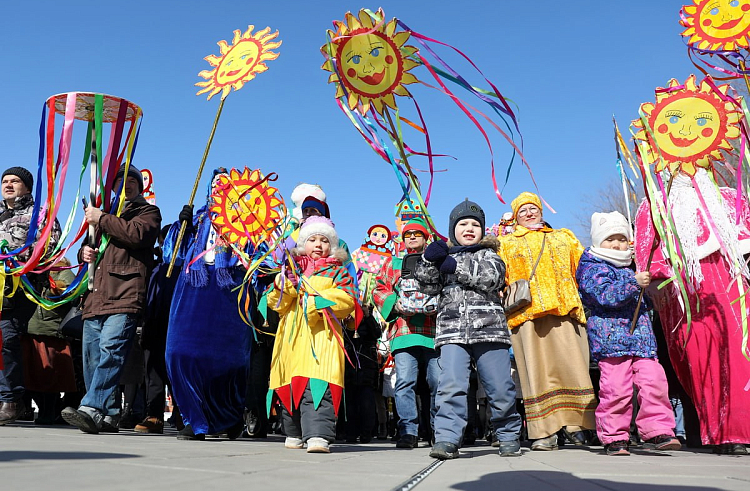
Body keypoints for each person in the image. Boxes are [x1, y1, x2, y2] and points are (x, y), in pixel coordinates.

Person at [635, 169, 750, 454]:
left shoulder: (730, 198)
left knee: (740, 358)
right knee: (702, 360)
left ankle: (740, 430)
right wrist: (656, 274)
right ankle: (719, 432)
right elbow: (646, 253)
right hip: (684, 291)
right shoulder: (655, 203)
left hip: (733, 285)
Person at [416, 199, 522, 460]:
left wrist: (456, 267)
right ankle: (447, 438)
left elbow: (492, 278)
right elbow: (427, 286)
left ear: (482, 230)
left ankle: (508, 434)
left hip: (490, 330)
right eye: (462, 224)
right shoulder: (443, 256)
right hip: (452, 332)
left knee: (499, 386)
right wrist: (429, 260)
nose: (469, 228)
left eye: (475, 224)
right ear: (453, 229)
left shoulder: (490, 255)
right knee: (450, 385)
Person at [61, 164, 161, 433]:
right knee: (92, 357)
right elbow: (90, 244)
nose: (126, 185)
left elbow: (137, 235)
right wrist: (85, 253)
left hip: (125, 293)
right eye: (120, 181)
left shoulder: (147, 212)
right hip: (96, 296)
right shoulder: (102, 215)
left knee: (112, 352)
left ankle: (91, 406)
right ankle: (109, 414)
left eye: (132, 180)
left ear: (140, 187)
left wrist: (102, 218)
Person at [497, 192, 596, 451]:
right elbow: (498, 278)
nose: (529, 213)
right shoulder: (506, 244)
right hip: (527, 315)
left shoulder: (565, 237)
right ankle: (545, 431)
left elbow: (587, 268)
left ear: (541, 211)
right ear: (516, 217)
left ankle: (579, 425)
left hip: (565, 310)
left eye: (533, 208)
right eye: (523, 211)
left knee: (573, 368)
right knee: (536, 375)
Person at [576, 211, 680, 456]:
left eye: (622, 239)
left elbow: (645, 300)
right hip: (611, 341)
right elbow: (604, 295)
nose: (617, 244)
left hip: (642, 341)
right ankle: (614, 436)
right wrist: (634, 283)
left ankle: (657, 430)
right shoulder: (592, 265)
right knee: (616, 389)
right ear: (599, 241)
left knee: (654, 382)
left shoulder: (635, 264)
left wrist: (655, 290)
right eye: (610, 239)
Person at [165, 169, 252, 441]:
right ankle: (195, 417)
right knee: (179, 351)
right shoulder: (199, 216)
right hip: (195, 283)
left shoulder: (248, 219)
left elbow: (261, 256)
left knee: (229, 358)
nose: (219, 188)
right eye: (215, 184)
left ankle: (228, 416)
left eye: (225, 184)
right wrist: (182, 226)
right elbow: (173, 254)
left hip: (229, 286)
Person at [266, 216, 357, 453]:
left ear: (332, 246)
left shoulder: (339, 273)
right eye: (313, 239)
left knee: (318, 385)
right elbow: (275, 303)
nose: (318, 244)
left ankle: (318, 434)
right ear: (303, 243)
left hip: (322, 340)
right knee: (289, 382)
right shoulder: (290, 269)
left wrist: (316, 302)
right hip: (291, 341)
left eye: (324, 240)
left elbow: (347, 301)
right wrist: (286, 285)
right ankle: (294, 431)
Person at [0, 166, 61, 425]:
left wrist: (17, 261)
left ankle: (10, 400)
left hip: (20, 286)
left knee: (6, 338)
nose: (9, 185)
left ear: (27, 186)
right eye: (5, 181)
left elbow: (51, 244)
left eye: (15, 181)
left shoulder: (40, 213)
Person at [372, 218, 439, 449]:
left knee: (437, 381)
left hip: (433, 331)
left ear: (425, 238)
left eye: (417, 234)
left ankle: (436, 430)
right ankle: (408, 431)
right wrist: (394, 304)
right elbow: (379, 288)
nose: (411, 237)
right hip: (403, 331)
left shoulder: (436, 261)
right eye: (408, 234)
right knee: (404, 382)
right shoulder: (393, 263)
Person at [134, 225, 177, 434]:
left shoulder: (186, 265)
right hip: (154, 320)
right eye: (163, 240)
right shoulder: (154, 264)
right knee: (153, 370)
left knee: (177, 371)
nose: (164, 244)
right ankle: (154, 415)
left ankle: (182, 413)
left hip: (177, 322)